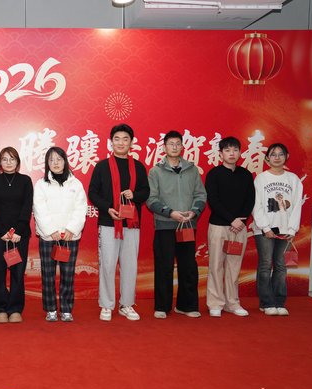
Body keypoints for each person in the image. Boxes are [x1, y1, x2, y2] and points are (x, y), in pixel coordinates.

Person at [88, 124, 150, 322]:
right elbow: (93, 193)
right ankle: (106, 305)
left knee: (130, 266)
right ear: (111, 142)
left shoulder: (138, 167)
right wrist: (108, 208)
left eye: (125, 139)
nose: (121, 143)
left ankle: (126, 304)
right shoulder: (102, 166)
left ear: (131, 142)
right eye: (117, 139)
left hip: (131, 224)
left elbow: (146, 192)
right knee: (107, 265)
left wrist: (134, 195)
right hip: (108, 223)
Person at [146, 130, 207, 319]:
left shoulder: (192, 170)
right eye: (170, 144)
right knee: (164, 266)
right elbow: (151, 199)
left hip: (187, 225)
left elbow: (200, 195)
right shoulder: (155, 171)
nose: (174, 147)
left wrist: (193, 212)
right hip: (165, 225)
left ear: (182, 146)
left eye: (177, 143)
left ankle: (186, 306)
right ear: (164, 147)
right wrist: (170, 212)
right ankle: (162, 307)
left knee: (188, 266)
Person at [33, 146, 87, 322]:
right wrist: (51, 230)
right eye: (51, 160)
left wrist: (71, 229)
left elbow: (81, 208)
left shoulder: (76, 184)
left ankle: (66, 309)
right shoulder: (41, 185)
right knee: (48, 275)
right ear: (47, 164)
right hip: (49, 237)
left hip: (69, 237)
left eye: (59, 159)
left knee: (68, 275)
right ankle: (50, 309)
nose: (55, 163)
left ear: (65, 161)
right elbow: (39, 209)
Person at [204, 136, 255, 317]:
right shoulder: (214, 174)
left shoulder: (246, 175)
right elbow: (213, 200)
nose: (231, 153)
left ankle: (232, 303)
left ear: (240, 153)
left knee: (234, 266)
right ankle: (215, 303)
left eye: (235, 150)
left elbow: (250, 200)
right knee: (216, 265)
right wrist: (231, 219)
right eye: (227, 150)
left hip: (239, 228)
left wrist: (241, 221)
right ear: (221, 154)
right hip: (219, 226)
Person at [252, 142, 303, 316]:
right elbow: (256, 205)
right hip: (264, 229)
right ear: (267, 158)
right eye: (273, 154)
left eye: (281, 154)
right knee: (265, 264)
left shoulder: (293, 179)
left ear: (287, 157)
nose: (277, 157)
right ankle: (266, 303)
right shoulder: (261, 179)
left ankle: (279, 302)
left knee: (281, 265)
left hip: (285, 229)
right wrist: (265, 227)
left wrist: (292, 229)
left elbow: (297, 206)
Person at [0, 147, 33, 323]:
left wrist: (18, 231)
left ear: (18, 162)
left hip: (20, 235)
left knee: (17, 272)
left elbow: (27, 208)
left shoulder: (26, 181)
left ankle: (15, 309)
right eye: (4, 159)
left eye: (12, 159)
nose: (8, 162)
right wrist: (2, 232)